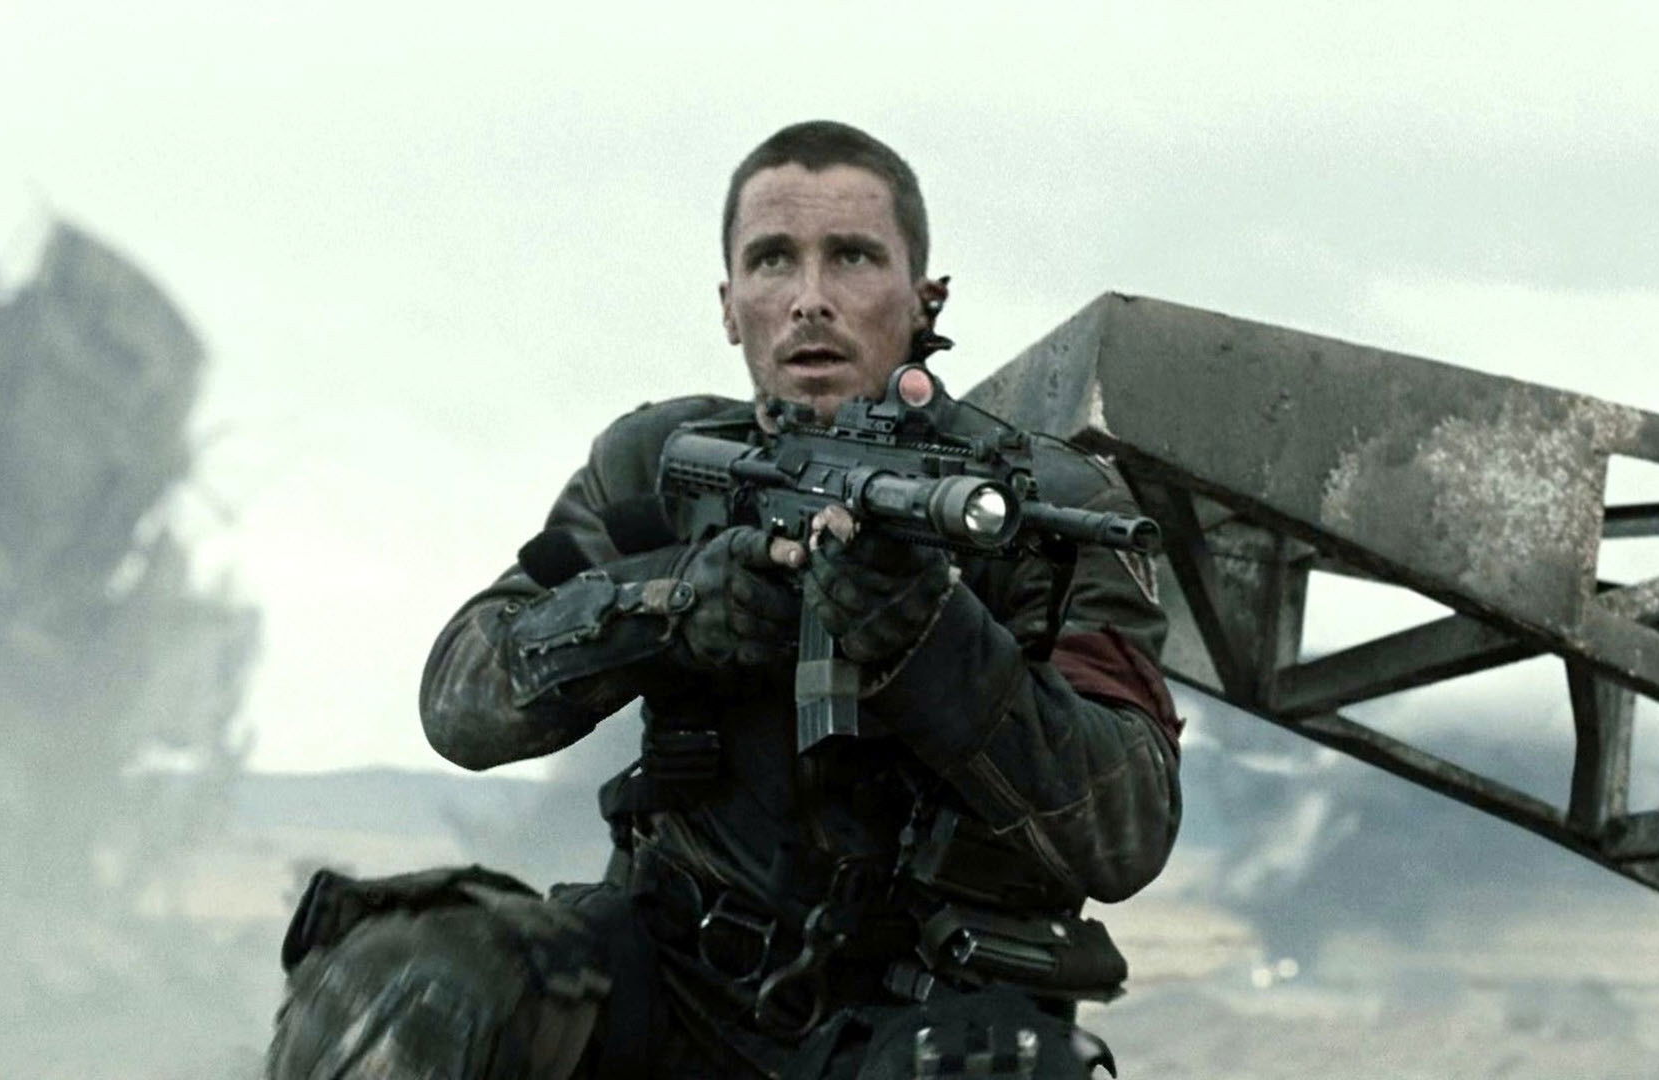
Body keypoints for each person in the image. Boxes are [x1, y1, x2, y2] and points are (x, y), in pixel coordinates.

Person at [266, 120, 1182, 1079]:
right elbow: (462, 697)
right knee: (415, 986)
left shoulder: (1047, 507)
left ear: (926, 298)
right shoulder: (663, 468)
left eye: (854, 257)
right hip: (674, 977)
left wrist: (930, 641)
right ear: (730, 306)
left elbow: (1126, 827)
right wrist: (669, 608)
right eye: (773, 260)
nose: (811, 299)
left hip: (929, 1008)